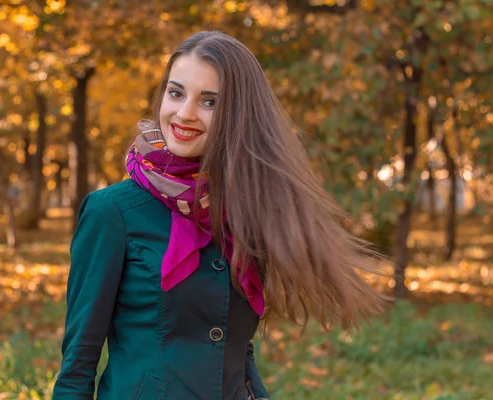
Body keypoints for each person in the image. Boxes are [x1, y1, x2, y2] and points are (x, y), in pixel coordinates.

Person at [52, 31, 385, 400]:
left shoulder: (247, 210)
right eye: (176, 93)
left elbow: (236, 348)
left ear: (237, 114)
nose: (185, 113)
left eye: (209, 101)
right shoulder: (111, 212)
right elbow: (78, 366)